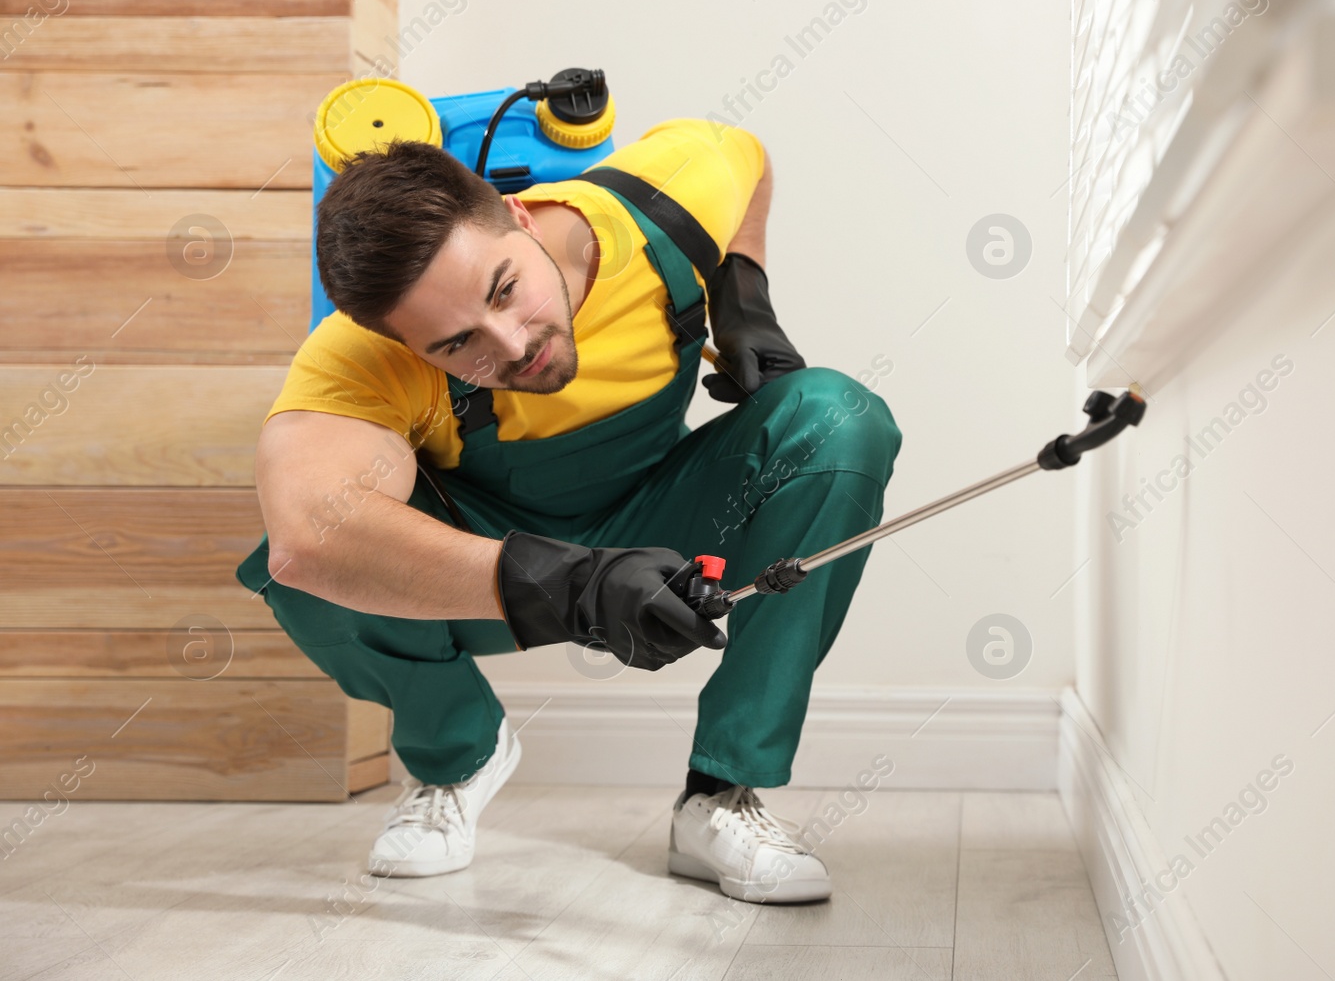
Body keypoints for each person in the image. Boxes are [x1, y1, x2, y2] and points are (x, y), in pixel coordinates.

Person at [234, 117, 902, 904]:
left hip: (662, 518)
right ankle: (457, 757)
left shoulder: (660, 209)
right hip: (502, 565)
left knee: (836, 416)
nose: (512, 344)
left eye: (507, 289)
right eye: (457, 345)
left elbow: (746, 158)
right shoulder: (360, 356)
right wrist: (577, 582)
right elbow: (309, 535)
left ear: (519, 215)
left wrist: (741, 289)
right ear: (402, 343)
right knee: (311, 569)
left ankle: (721, 793)